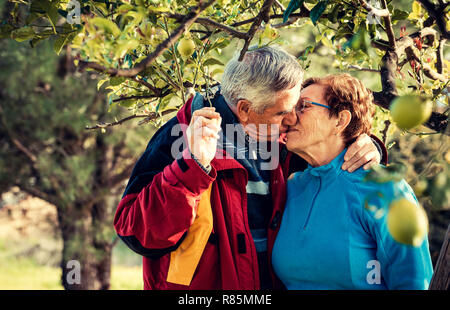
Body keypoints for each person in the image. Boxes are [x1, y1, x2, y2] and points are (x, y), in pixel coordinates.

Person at [113, 46, 386, 290]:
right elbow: (137, 235)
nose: (292, 119)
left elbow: (330, 155)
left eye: (295, 107)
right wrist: (192, 168)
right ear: (244, 109)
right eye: (282, 112)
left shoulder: (282, 140)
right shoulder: (181, 136)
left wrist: (365, 142)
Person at [271, 74, 433, 289]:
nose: (289, 118)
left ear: (340, 120)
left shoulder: (385, 189)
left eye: (304, 106)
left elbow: (413, 281)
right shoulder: (290, 187)